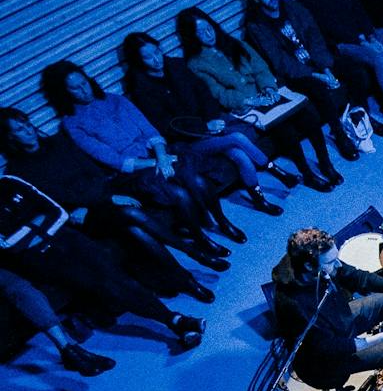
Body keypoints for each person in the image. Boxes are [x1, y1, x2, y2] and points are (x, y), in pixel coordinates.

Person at [0, 106, 224, 286]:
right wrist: (103, 201)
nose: (28, 131)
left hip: (100, 197)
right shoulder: (18, 171)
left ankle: (186, 278)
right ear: (9, 138)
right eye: (19, 129)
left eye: (28, 124)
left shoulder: (58, 143)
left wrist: (108, 197)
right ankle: (194, 252)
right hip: (81, 216)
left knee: (133, 228)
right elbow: (55, 198)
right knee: (129, 213)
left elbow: (93, 173)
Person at [42, 60, 234, 253]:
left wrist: (161, 157)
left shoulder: (115, 99)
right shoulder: (73, 123)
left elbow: (149, 131)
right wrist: (155, 163)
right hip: (130, 171)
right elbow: (112, 159)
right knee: (179, 193)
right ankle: (200, 239)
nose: (84, 90)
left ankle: (223, 222)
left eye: (83, 82)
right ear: (65, 93)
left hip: (157, 154)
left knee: (197, 180)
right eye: (75, 88)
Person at [1, 176, 204, 354]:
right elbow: (8, 245)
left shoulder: (11, 182)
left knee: (114, 276)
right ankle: (176, 321)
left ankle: (176, 321)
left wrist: (33, 231)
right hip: (38, 258)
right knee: (105, 283)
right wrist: (37, 223)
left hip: (68, 237)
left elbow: (57, 212)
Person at [118, 31, 289, 218]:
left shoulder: (176, 65)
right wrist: (203, 127)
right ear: (138, 61)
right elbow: (165, 125)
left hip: (209, 127)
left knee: (239, 153)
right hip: (185, 141)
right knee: (237, 138)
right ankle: (275, 170)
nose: (157, 60)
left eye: (157, 52)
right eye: (148, 58)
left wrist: (211, 119)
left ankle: (260, 200)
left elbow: (204, 93)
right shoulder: (140, 87)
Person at [177, 5, 342, 192]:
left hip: (267, 96)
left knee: (308, 116)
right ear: (192, 36)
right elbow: (218, 93)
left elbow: (260, 68)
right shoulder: (196, 63)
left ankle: (325, 163)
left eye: (209, 27)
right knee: (284, 129)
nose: (208, 34)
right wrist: (251, 100)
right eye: (200, 32)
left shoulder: (234, 43)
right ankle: (307, 173)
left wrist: (269, 88)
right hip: (245, 107)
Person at [241, 0, 383, 150]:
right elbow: (280, 61)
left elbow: (316, 38)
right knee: (318, 89)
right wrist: (317, 75)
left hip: (318, 61)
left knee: (355, 72)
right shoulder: (256, 26)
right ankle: (339, 133)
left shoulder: (293, 8)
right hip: (296, 73)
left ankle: (363, 115)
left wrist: (325, 68)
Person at [270, 227, 383, 389]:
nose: (338, 264)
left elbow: (357, 277)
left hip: (339, 321)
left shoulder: (315, 260)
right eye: (331, 262)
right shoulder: (295, 306)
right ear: (308, 266)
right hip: (327, 362)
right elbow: (334, 347)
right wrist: (382, 337)